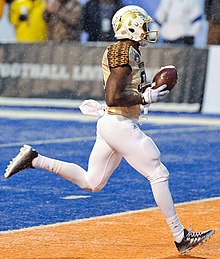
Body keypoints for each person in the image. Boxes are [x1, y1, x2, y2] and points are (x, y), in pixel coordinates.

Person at [4, 5, 215, 255]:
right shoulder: (122, 52)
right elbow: (114, 97)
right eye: (143, 25)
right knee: (158, 174)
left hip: (112, 123)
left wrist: (147, 89)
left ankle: (35, 159)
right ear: (131, 26)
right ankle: (181, 237)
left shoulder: (128, 51)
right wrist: (145, 98)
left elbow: (126, 89)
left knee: (92, 182)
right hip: (118, 123)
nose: (148, 30)